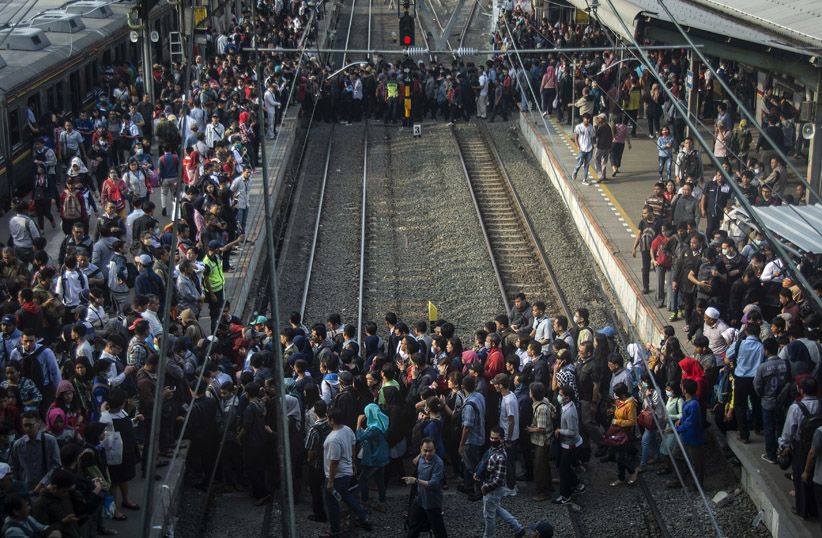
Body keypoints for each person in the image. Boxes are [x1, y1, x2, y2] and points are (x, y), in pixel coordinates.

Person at [322, 407, 371, 537]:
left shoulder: (333, 439)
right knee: (346, 496)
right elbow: (353, 445)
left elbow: (334, 462)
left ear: (332, 420)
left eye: (328, 418)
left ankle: (335, 529)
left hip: (337, 475)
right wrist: (352, 462)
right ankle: (363, 516)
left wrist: (330, 481)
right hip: (347, 472)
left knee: (332, 503)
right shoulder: (347, 430)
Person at [779, 377, 820, 519]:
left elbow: (789, 430)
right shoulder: (820, 404)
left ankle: (802, 509)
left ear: (801, 390)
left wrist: (783, 445)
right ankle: (815, 508)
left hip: (801, 447)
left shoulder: (796, 407)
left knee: (800, 476)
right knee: (815, 475)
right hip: (818, 444)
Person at [476, 426, 526, 538]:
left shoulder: (500, 457)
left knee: (489, 515)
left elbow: (498, 480)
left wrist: (486, 487)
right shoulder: (495, 451)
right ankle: (518, 528)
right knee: (496, 508)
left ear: (501, 439)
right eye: (491, 437)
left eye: (496, 438)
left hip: (492, 489)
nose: (493, 440)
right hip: (491, 487)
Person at [404, 437, 447, 538]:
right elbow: (414, 461)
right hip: (419, 499)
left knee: (438, 529)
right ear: (421, 449)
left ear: (435, 450)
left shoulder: (438, 463)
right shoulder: (421, 458)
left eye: (430, 451)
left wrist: (416, 481)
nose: (427, 454)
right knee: (414, 525)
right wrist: (421, 454)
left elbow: (433, 483)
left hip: (432, 501)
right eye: (425, 450)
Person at [9, 412, 61, 493]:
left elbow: (56, 465)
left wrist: (42, 483)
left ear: (38, 424)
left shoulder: (50, 440)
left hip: (46, 489)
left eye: (30, 425)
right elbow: (13, 468)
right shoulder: (18, 444)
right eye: (25, 425)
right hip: (25, 489)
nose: (27, 428)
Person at [668, 378, 705, 490]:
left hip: (693, 437)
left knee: (696, 463)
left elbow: (690, 423)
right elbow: (687, 418)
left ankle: (697, 485)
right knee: (676, 455)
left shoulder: (693, 404)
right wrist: (681, 420)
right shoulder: (688, 402)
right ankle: (680, 478)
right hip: (685, 436)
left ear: (685, 390)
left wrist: (675, 429)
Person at [553, 385, 584, 504]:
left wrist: (559, 431)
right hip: (567, 444)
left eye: (561, 395)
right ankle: (577, 485)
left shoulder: (570, 412)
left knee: (563, 470)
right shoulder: (566, 405)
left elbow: (572, 432)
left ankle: (565, 496)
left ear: (567, 397)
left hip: (570, 445)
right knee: (564, 467)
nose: (559, 396)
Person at [356, 403, 389, 511]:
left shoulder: (373, 429)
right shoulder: (382, 423)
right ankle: (382, 502)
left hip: (374, 458)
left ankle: (364, 501)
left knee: (362, 479)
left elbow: (359, 437)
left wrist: (358, 423)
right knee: (379, 480)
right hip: (382, 457)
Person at [458, 375, 485, 500]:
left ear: (462, 387)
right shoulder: (479, 396)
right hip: (480, 434)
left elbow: (467, 427)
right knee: (468, 464)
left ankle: (479, 491)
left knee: (473, 467)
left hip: (471, 440)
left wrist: (461, 444)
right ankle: (468, 486)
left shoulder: (469, 405)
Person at [526, 382, 553, 501]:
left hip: (542, 441)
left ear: (533, 394)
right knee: (544, 465)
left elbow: (542, 428)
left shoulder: (541, 408)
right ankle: (549, 486)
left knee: (539, 468)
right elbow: (553, 409)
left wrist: (530, 429)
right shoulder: (545, 400)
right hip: (545, 440)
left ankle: (543, 492)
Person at [609, 382, 638, 486]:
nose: (615, 396)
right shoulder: (620, 402)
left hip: (625, 434)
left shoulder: (630, 404)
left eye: (617, 394)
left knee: (620, 457)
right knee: (616, 456)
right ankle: (621, 478)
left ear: (622, 394)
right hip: (618, 432)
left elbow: (632, 421)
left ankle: (632, 471)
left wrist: (617, 422)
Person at [572, 114, 595, 185]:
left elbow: (592, 137)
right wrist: (578, 146)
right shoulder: (578, 127)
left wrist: (592, 145)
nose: (588, 120)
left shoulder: (591, 127)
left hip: (589, 149)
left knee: (587, 165)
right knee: (580, 163)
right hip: (582, 149)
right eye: (586, 118)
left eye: (589, 119)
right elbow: (576, 137)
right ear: (583, 119)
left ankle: (585, 179)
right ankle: (575, 171)